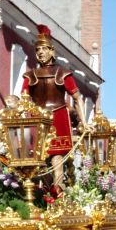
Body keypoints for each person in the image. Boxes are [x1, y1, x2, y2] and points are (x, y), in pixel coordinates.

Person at [22, 24, 86, 188]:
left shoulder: (62, 73)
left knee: (57, 158)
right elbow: (23, 101)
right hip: (38, 120)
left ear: (52, 51)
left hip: (59, 118)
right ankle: (45, 195)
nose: (40, 52)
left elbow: (78, 98)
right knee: (40, 161)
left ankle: (57, 195)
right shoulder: (30, 76)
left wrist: (84, 123)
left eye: (44, 49)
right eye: (38, 50)